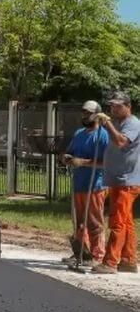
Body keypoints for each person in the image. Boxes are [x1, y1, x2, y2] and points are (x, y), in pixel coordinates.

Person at [93, 91, 140, 274]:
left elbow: (121, 142)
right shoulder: (119, 123)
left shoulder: (133, 124)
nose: (114, 108)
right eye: (112, 105)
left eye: (118, 106)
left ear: (128, 106)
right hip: (118, 179)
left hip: (127, 180)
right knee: (126, 221)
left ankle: (110, 262)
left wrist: (107, 124)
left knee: (117, 221)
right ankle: (128, 260)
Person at [61, 100, 109, 267]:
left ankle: (98, 255)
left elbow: (105, 163)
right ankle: (82, 252)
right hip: (79, 183)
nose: (85, 115)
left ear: (97, 114)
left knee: (94, 222)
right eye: (83, 112)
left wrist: (83, 162)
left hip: (95, 185)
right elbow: (69, 152)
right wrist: (66, 158)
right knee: (79, 222)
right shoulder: (79, 133)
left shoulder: (103, 135)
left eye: (88, 113)